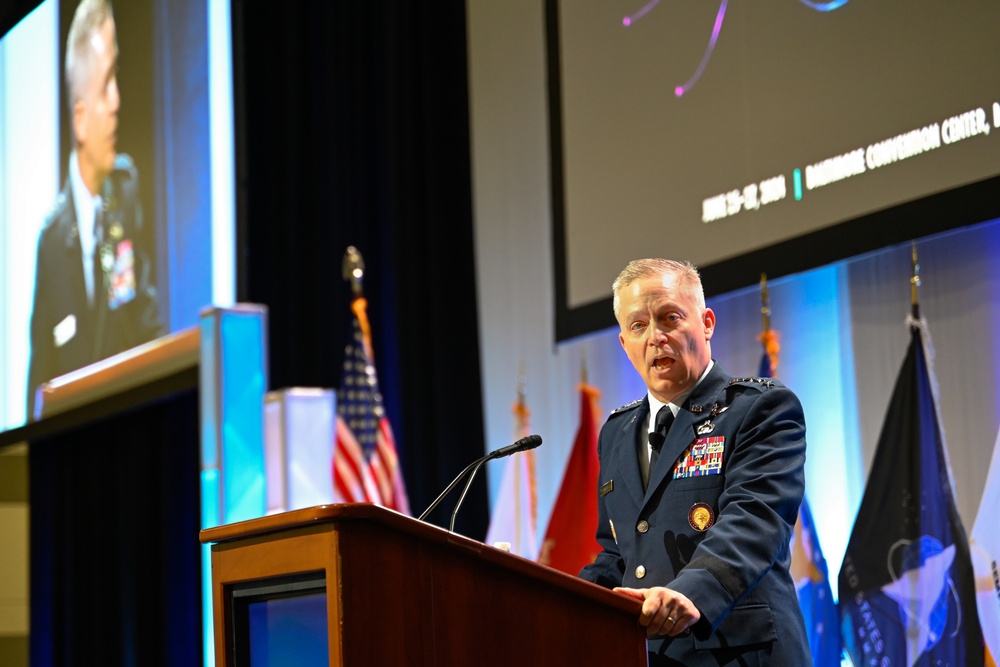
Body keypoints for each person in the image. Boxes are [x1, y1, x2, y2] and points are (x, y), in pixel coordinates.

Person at [579, 258, 811, 666]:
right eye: (638, 326)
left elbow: (753, 521)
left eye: (669, 318)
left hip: (739, 652)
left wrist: (691, 592)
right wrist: (561, 600)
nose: (655, 337)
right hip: (652, 656)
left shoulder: (761, 408)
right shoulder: (615, 432)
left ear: (706, 323)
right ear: (624, 343)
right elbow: (619, 554)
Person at [27, 0, 163, 420]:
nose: (118, 102)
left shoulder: (126, 192)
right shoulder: (51, 241)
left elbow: (145, 317)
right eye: (106, 86)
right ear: (80, 120)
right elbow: (40, 380)